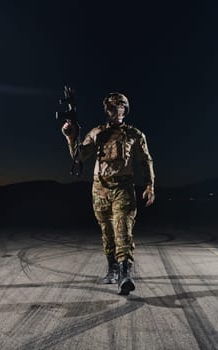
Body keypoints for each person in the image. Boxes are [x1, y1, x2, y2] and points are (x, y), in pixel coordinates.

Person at [62, 92, 155, 295]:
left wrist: (150, 185)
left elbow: (145, 161)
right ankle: (112, 268)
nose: (115, 110)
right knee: (108, 232)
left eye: (119, 106)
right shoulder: (97, 133)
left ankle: (124, 274)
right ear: (107, 110)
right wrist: (70, 137)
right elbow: (79, 156)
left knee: (123, 229)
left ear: (125, 109)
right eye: (112, 107)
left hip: (123, 189)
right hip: (100, 190)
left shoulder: (135, 135)